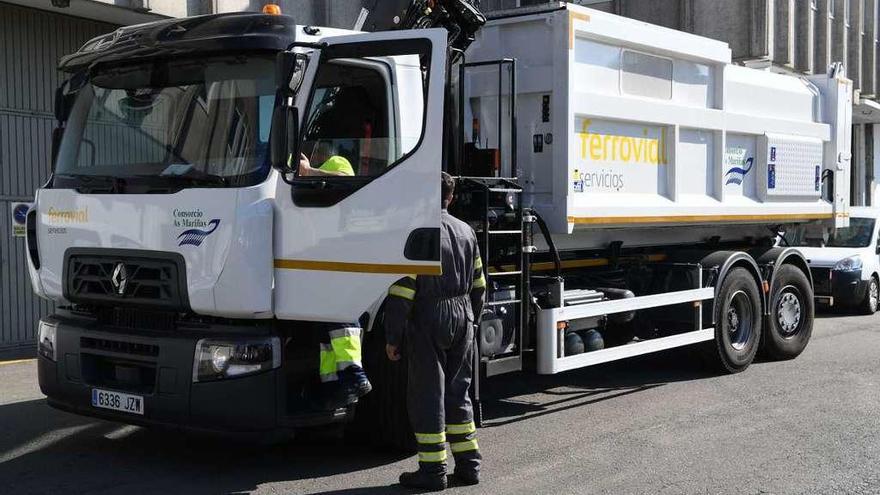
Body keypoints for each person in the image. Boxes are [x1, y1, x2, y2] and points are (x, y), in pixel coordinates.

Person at [384, 172, 487, 491]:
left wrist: (392, 336)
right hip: (463, 315)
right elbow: (480, 284)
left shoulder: (419, 233)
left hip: (430, 315)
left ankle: (433, 471)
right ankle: (469, 466)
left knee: (428, 395)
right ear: (451, 198)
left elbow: (403, 290)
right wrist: (471, 320)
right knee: (459, 393)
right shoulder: (467, 230)